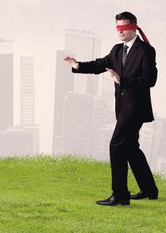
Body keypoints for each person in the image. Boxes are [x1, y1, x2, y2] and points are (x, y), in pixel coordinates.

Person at [64, 11, 158, 206]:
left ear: (134, 28)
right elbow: (100, 65)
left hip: (136, 109)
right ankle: (149, 189)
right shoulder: (116, 50)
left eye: (123, 28)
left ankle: (120, 194)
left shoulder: (146, 51)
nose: (120, 32)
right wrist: (77, 65)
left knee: (117, 145)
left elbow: (150, 80)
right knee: (131, 147)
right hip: (122, 108)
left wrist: (121, 80)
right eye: (118, 28)